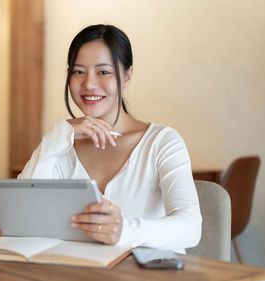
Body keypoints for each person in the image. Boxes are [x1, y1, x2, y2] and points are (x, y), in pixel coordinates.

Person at [18, 24, 201, 252]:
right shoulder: (63, 145)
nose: (89, 84)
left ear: (127, 76)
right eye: (78, 71)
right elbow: (21, 214)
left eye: (103, 72)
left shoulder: (162, 142)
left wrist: (124, 230)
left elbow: (191, 228)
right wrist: (57, 135)